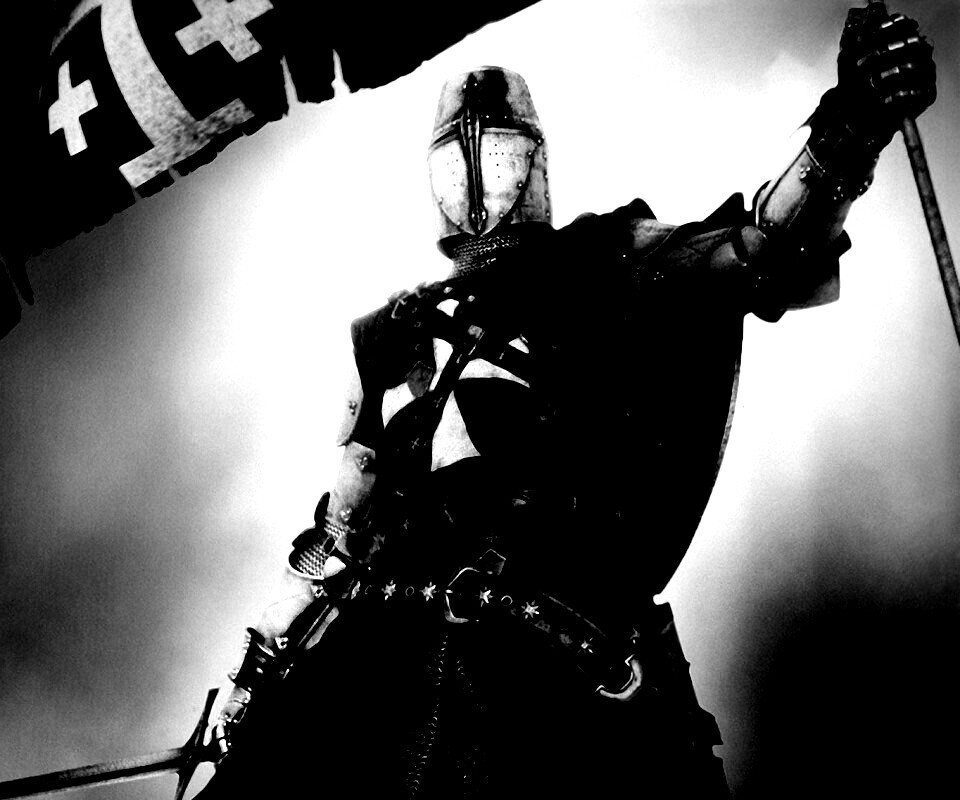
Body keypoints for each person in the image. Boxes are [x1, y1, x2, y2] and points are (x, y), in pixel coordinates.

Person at [197, 7, 936, 798]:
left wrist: (851, 128)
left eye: (501, 151)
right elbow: (338, 533)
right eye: (459, 156)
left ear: (534, 158)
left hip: (563, 656)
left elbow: (761, 250)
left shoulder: (612, 260)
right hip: (393, 648)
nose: (480, 174)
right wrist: (253, 681)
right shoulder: (388, 332)